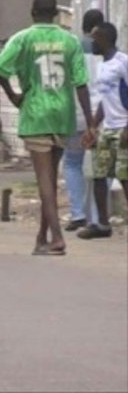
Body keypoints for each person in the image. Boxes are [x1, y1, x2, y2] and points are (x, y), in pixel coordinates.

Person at [0, 0, 94, 256]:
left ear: (33, 12)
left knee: (45, 183)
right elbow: (81, 83)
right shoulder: (69, 41)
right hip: (62, 115)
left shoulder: (23, 38)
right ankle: (41, 238)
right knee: (51, 176)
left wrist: (14, 95)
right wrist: (91, 122)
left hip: (36, 113)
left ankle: (57, 237)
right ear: (56, 14)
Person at [78, 22, 128, 240]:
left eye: (95, 38)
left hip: (123, 127)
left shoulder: (122, 62)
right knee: (98, 174)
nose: (92, 42)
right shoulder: (101, 66)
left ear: (106, 39)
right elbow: (104, 100)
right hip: (107, 128)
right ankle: (102, 224)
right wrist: (93, 126)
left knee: (125, 176)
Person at [63, 9, 105, 232]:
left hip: (76, 114)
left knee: (72, 163)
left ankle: (78, 213)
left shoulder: (72, 48)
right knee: (103, 166)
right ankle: (99, 217)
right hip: (104, 115)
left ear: (83, 27)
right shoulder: (109, 51)